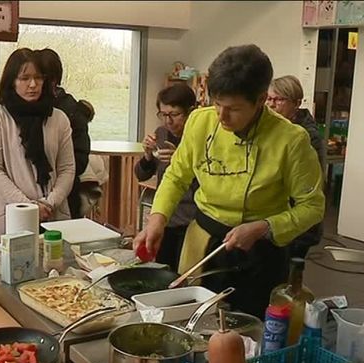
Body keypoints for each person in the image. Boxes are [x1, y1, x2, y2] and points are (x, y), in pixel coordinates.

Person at [133, 45, 325, 319]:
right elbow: (177, 175)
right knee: (192, 320)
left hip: (261, 252)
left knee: (247, 331)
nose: (221, 117)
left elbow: (313, 207)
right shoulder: (200, 122)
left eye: (233, 108)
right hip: (204, 240)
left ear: (260, 100)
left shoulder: (291, 140)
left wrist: (264, 227)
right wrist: (157, 219)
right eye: (217, 104)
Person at [0, 48, 75, 242]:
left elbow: (67, 168)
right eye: (24, 78)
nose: (32, 85)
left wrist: (49, 203)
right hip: (11, 217)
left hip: (54, 216)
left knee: (57, 268)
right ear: (12, 81)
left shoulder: (58, 118)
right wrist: (28, 207)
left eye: (38, 78)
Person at [134, 84, 198, 269]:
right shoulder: (161, 133)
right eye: (163, 114)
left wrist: (181, 161)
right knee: (162, 270)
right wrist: (147, 156)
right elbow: (141, 174)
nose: (168, 121)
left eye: (174, 114)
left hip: (191, 221)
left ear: (191, 112)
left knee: (184, 274)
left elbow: (210, 184)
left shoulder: (199, 137)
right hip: (164, 218)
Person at [267, 75, 326, 258]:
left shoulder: (307, 135)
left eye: (278, 99)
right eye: (268, 98)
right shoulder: (274, 127)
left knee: (290, 273)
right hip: (277, 215)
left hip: (299, 220)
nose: (271, 104)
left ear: (296, 103)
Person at [38, 48, 91, 219]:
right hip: (34, 199)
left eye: (40, 77)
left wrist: (54, 194)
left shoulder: (71, 111)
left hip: (65, 197)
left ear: (53, 80)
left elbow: (79, 161)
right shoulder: (30, 109)